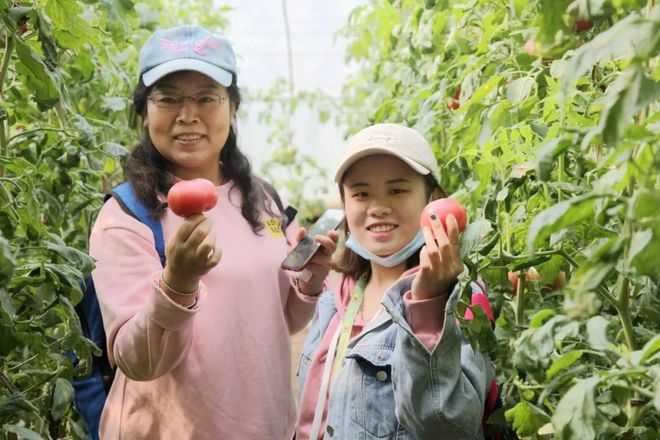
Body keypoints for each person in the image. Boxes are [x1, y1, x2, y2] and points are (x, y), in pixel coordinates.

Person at [88, 25, 336, 440]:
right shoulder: (128, 217)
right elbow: (138, 362)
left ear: (232, 108)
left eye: (206, 97)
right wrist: (178, 283)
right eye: (168, 99)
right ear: (145, 110)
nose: (188, 116)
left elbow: (284, 319)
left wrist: (312, 277)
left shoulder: (261, 198)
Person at [294, 123, 496, 439]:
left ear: (433, 199)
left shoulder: (461, 300)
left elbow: (451, 428)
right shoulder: (336, 300)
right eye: (361, 193)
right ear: (345, 206)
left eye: (397, 190)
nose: (378, 207)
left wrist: (429, 302)